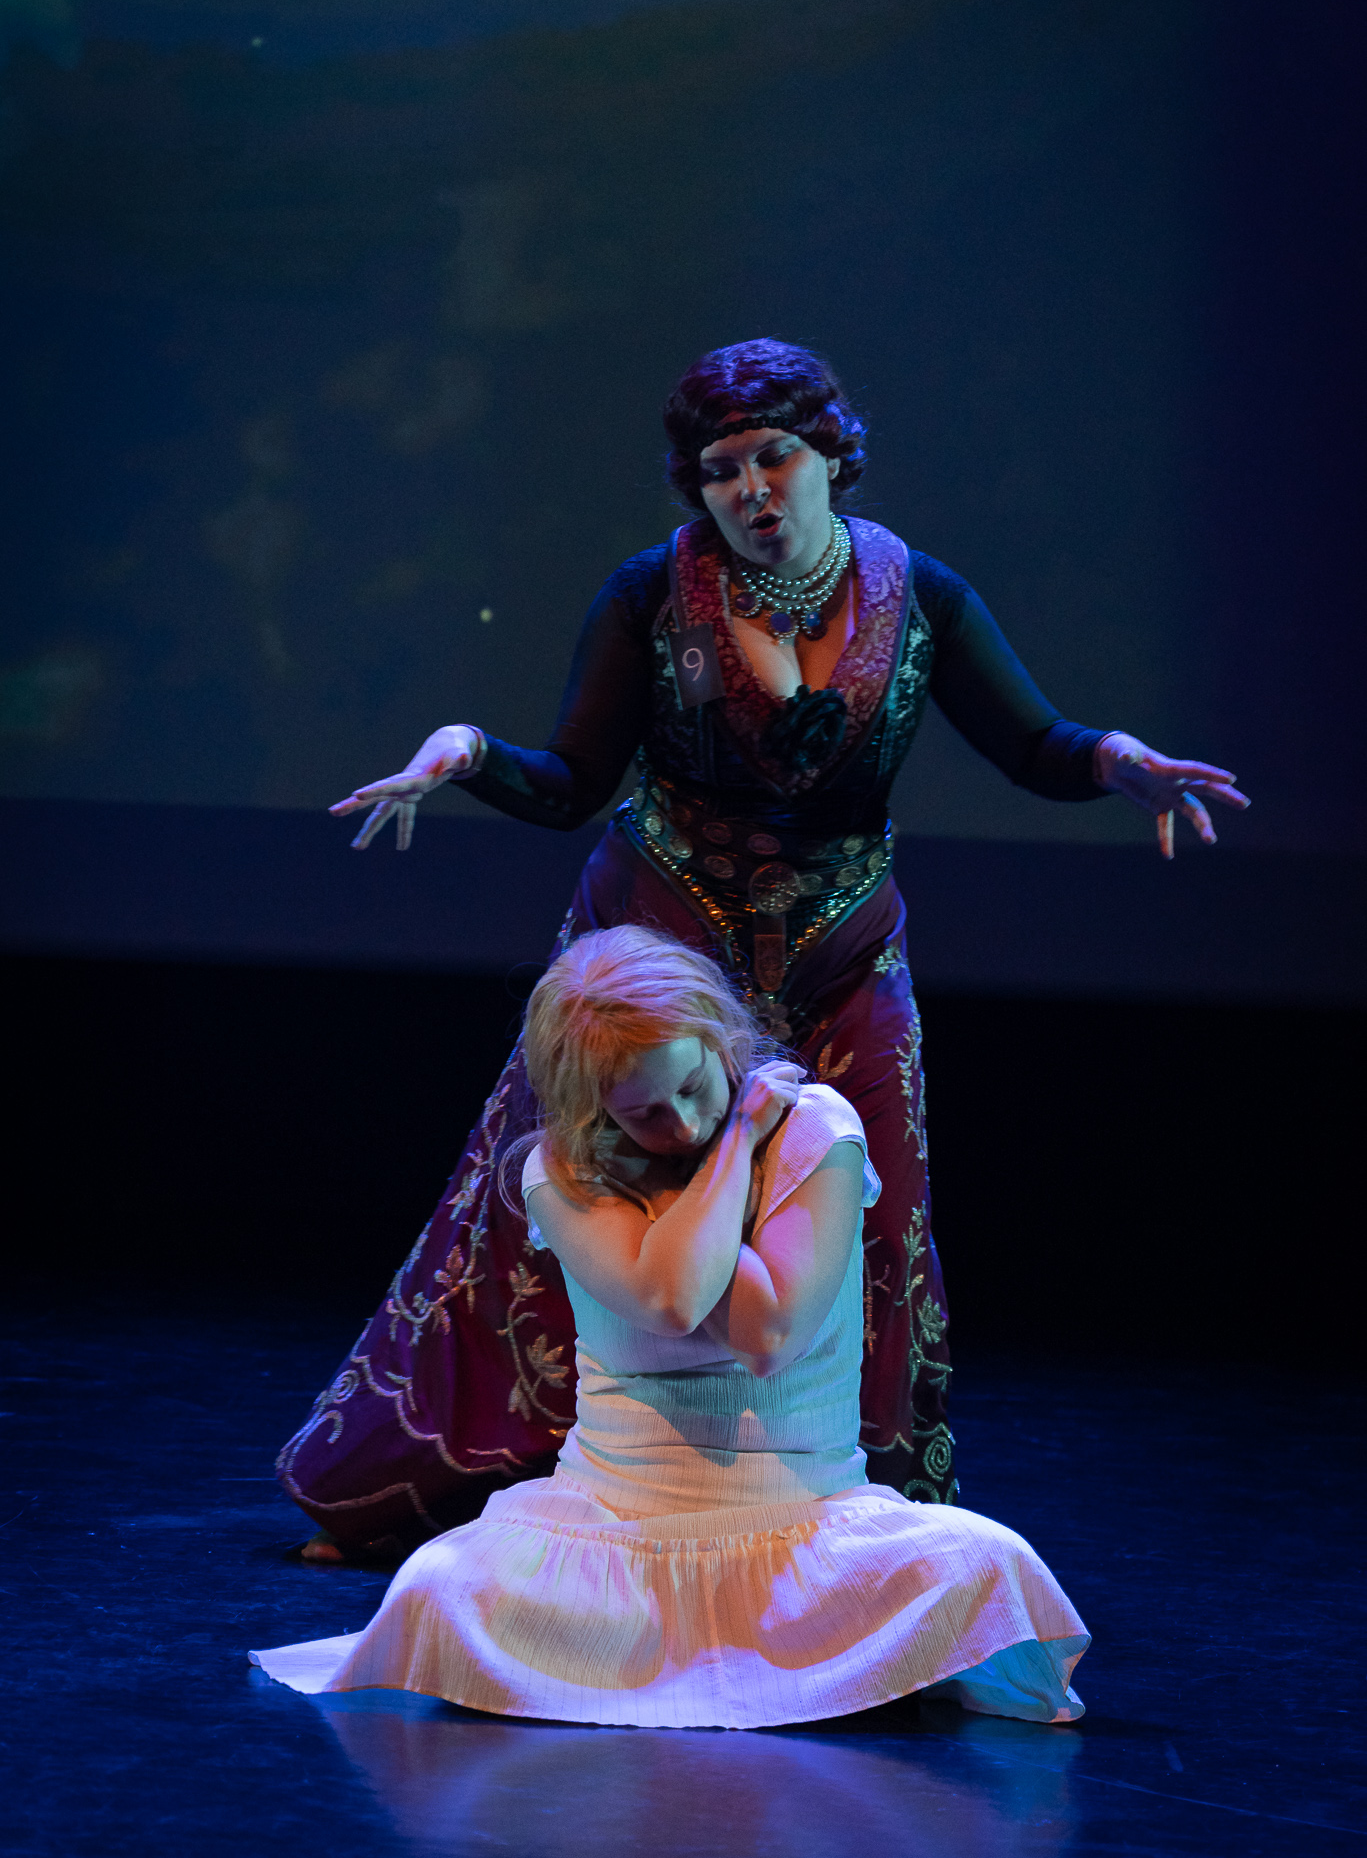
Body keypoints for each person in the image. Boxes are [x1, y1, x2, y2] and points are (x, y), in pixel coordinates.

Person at [278, 337, 1247, 1556]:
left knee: (874, 1211)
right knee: (566, 1189)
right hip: (659, 945)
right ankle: (475, 1485)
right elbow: (571, 781)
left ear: (829, 452)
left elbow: (1030, 744)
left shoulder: (918, 592)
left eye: (772, 456)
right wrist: (466, 752)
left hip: (838, 947)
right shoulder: (651, 593)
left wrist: (1112, 760)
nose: (750, 489)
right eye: (721, 469)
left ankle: (867, 1506)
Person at [254, 929, 1090, 1728]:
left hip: (806, 1532)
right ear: (593, 1112)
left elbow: (766, 1337)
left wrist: (711, 1157)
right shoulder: (562, 1168)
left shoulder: (811, 1125)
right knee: (438, 1585)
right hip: (610, 1533)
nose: (683, 1126)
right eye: (645, 1113)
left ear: (722, 1042)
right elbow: (669, 1300)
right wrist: (721, 1156)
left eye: (694, 1087)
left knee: (989, 1567)